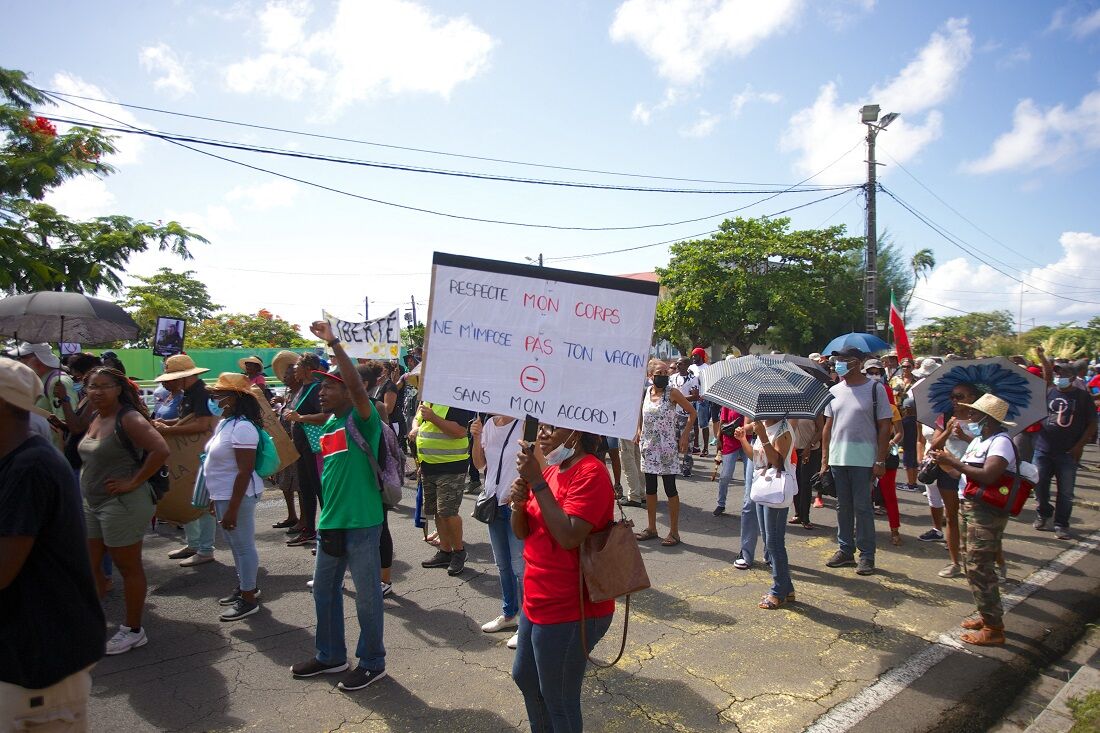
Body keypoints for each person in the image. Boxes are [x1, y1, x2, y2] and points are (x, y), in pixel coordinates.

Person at [0, 360, 106, 730]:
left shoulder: (29, 468)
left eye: (99, 386)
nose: (92, 390)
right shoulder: (17, 462)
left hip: (37, 662)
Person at [291, 321, 387, 692]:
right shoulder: (330, 422)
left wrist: (334, 344)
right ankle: (330, 655)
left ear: (349, 390)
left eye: (329, 385)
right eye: (321, 386)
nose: (322, 391)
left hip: (363, 523)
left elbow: (359, 388)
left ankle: (372, 661)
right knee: (324, 591)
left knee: (366, 598)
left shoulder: (363, 419)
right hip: (331, 523)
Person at [511, 423, 615, 732]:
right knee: (526, 677)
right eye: (541, 427)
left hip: (571, 608)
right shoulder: (554, 470)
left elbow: (569, 536)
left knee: (559, 698)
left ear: (576, 433)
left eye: (552, 428)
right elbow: (523, 532)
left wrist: (536, 483)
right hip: (537, 599)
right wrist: (519, 503)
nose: (542, 434)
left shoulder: (591, 473)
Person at [80, 367, 171, 654]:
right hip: (92, 502)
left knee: (128, 566)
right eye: (92, 386)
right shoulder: (96, 416)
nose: (97, 391)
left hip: (122, 504)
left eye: (104, 386)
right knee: (88, 563)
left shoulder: (128, 418)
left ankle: (133, 630)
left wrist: (132, 481)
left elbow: (160, 449)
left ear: (119, 388)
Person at [930, 394, 1020, 646]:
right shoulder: (982, 439)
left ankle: (994, 628)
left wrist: (953, 462)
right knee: (972, 563)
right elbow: (967, 471)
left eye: (975, 413)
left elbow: (989, 476)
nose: (969, 416)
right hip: (971, 506)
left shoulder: (1001, 442)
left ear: (987, 418)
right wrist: (946, 461)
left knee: (980, 565)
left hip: (986, 511)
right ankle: (987, 615)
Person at [820, 348, 892, 576]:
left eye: (844, 360)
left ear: (858, 363)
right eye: (837, 360)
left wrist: (880, 459)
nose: (838, 364)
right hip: (838, 458)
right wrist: (824, 460)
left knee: (863, 508)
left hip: (864, 460)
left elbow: (885, 427)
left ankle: (867, 555)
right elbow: (828, 427)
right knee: (843, 507)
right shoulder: (834, 390)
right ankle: (845, 550)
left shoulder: (875, 389)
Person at [203, 373, 267, 622]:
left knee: (243, 547)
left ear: (234, 398)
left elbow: (244, 471)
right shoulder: (226, 424)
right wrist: (215, 497)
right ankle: (245, 587)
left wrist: (231, 507)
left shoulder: (243, 428)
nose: (215, 399)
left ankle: (248, 599)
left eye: (220, 394)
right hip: (224, 494)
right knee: (235, 545)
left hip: (237, 496)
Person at [153, 355, 218, 567]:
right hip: (192, 455)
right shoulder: (190, 393)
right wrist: (167, 423)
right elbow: (188, 421)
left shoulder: (202, 393)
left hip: (202, 453)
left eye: (170, 378)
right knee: (190, 496)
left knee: (203, 501)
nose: (166, 382)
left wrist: (170, 429)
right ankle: (194, 544)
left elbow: (202, 425)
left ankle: (206, 549)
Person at [471, 414, 524, 650]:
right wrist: (476, 437)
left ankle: (526, 623)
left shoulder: (525, 424)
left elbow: (535, 464)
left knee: (519, 568)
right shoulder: (490, 424)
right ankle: (509, 614)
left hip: (515, 506)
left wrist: (520, 493)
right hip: (493, 503)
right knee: (502, 565)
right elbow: (479, 464)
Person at [734, 417, 796, 609]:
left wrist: (762, 436)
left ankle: (778, 591)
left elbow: (777, 461)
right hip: (762, 487)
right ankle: (787, 588)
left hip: (775, 490)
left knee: (774, 542)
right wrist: (744, 439)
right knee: (771, 541)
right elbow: (756, 457)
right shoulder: (764, 426)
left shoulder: (783, 429)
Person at [1032, 357, 1097, 539]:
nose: (1059, 376)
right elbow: (1045, 377)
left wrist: (1079, 446)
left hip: (1068, 452)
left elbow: (1092, 423)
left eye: (1064, 373)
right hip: (1043, 449)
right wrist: (1043, 358)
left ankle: (1061, 524)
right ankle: (1043, 513)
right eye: (1058, 373)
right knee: (1040, 486)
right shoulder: (1049, 392)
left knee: (1066, 491)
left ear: (1073, 377)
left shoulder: (1082, 397)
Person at [410, 396, 476, 575]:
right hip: (428, 464)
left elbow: (461, 431)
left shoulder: (456, 400)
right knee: (437, 511)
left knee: (448, 512)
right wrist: (415, 429)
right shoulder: (429, 399)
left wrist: (433, 418)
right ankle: (445, 551)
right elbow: (417, 417)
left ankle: (459, 552)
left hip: (451, 465)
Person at [635, 359, 695, 547]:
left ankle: (674, 532)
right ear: (650, 376)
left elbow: (692, 413)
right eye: (659, 373)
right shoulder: (645, 393)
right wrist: (638, 430)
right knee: (650, 489)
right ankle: (652, 528)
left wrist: (684, 435)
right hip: (649, 448)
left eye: (665, 373)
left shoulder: (672, 393)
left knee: (670, 489)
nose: (663, 376)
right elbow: (640, 413)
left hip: (667, 447)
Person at [926, 381, 982, 578]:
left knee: (975, 520)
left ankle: (983, 561)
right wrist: (949, 431)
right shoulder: (946, 417)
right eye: (953, 397)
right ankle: (955, 562)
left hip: (974, 473)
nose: (955, 401)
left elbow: (988, 445)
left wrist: (965, 437)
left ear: (972, 398)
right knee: (951, 516)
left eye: (960, 397)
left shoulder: (983, 419)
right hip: (948, 471)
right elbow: (934, 446)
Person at [283, 353, 327, 547]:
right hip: (302, 447)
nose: (294, 370)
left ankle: (328, 535)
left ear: (308, 369)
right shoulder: (302, 388)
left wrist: (299, 418)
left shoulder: (317, 388)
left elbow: (326, 416)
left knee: (320, 490)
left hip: (314, 449)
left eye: (298, 366)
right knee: (306, 489)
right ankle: (309, 530)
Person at [8, 342, 74, 450]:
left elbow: (65, 425)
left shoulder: (58, 382)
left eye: (22, 357)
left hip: (53, 455)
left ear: (37, 358)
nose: (19, 361)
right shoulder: (41, 380)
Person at [270, 351, 303, 531]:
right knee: (285, 482)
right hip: (285, 443)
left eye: (289, 373)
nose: (285, 377)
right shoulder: (289, 394)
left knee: (299, 484)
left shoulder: (302, 393)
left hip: (298, 445)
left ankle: (304, 520)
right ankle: (292, 515)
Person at [714, 405, 751, 518]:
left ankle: (748, 506)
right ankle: (721, 503)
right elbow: (723, 421)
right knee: (725, 475)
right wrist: (719, 439)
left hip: (746, 442)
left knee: (749, 476)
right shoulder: (729, 404)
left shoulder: (750, 403)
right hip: (730, 442)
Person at [790, 413, 823, 529]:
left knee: (805, 483)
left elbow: (820, 430)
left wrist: (809, 446)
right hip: (794, 450)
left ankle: (805, 517)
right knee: (795, 482)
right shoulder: (792, 409)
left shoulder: (814, 410)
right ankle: (798, 514)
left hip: (810, 451)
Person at [669, 357, 700, 477]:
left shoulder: (693, 379)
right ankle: (674, 465)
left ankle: (687, 467)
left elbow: (695, 396)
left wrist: (679, 399)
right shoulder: (672, 378)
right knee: (673, 440)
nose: (677, 365)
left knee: (688, 441)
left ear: (687, 365)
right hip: (674, 414)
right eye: (677, 363)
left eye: (680, 364)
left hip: (687, 414)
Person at [688, 347, 714, 456]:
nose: (694, 357)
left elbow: (709, 383)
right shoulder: (690, 367)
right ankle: (696, 446)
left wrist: (704, 395)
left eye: (696, 355)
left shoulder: (706, 368)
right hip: (692, 397)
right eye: (693, 355)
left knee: (703, 424)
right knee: (693, 423)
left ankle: (706, 448)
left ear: (701, 356)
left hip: (702, 399)